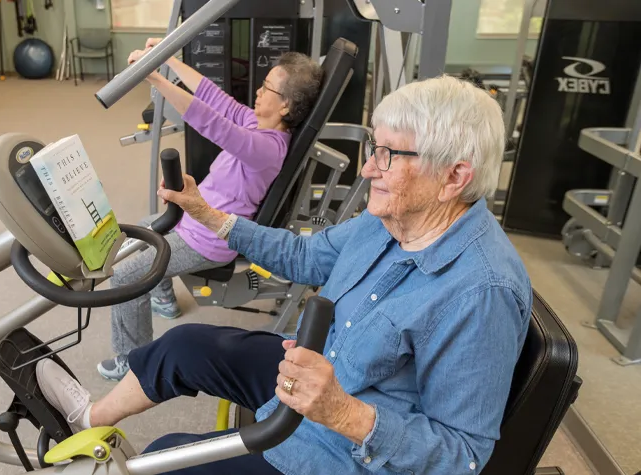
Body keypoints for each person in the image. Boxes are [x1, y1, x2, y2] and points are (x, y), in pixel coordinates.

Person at [37, 75, 532, 475]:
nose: (367, 170)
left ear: (454, 177)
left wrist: (344, 412)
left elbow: (463, 456)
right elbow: (302, 254)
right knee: (181, 344)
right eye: (373, 149)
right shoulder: (389, 220)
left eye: (389, 155)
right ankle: (89, 420)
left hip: (338, 448)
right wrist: (209, 215)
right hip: (314, 371)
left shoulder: (480, 292)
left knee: (165, 457)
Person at [99, 39, 323, 380]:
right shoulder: (255, 122)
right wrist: (169, 59)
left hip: (207, 239)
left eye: (267, 88)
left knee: (126, 275)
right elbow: (213, 98)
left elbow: (210, 123)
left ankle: (133, 361)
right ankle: (163, 299)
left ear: (286, 106)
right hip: (192, 218)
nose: (258, 91)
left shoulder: (266, 147)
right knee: (144, 229)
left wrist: (155, 79)